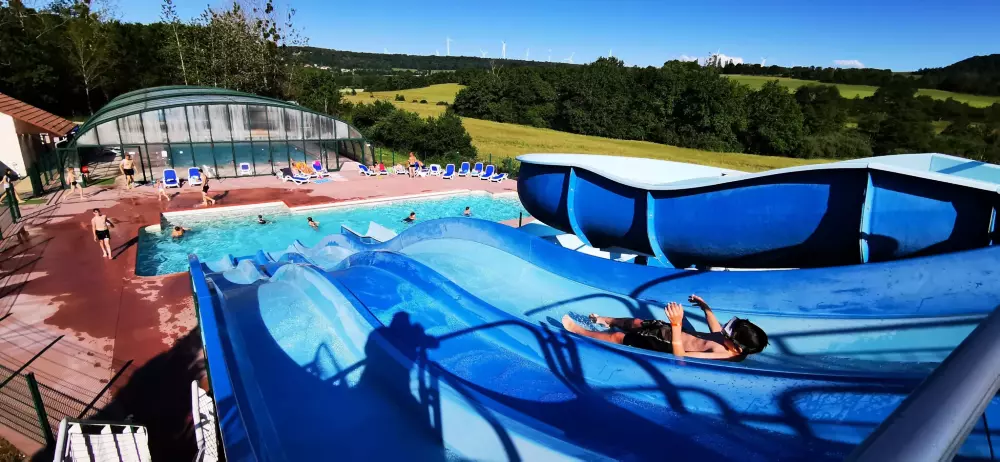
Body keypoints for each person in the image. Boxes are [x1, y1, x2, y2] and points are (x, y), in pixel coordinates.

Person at [561, 294, 768, 360]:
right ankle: (605, 320)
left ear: (736, 348)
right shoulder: (727, 341)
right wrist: (706, 308)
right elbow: (715, 330)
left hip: (666, 341)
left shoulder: (722, 354)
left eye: (727, 334)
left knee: (619, 338)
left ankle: (578, 331)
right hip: (671, 330)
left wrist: (677, 324)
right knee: (636, 323)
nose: (722, 331)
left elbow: (681, 357)